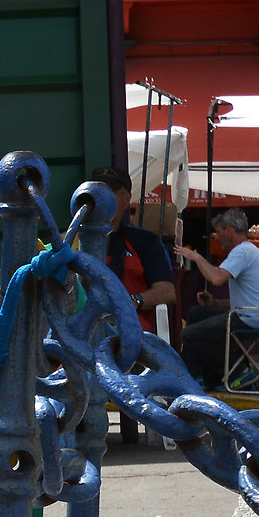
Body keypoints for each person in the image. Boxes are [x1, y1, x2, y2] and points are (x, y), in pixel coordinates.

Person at [90, 168, 178, 443]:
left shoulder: (144, 242)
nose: (100, 198)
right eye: (96, 191)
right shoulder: (76, 239)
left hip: (132, 335)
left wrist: (133, 302)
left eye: (108, 192)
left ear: (125, 197)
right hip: (87, 334)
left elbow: (167, 291)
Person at [176, 208, 259, 389]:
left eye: (218, 232)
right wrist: (215, 303)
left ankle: (238, 371)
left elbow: (217, 278)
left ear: (229, 230)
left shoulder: (242, 251)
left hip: (254, 319)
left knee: (188, 335)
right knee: (196, 313)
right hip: (256, 314)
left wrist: (196, 257)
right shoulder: (249, 250)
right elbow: (247, 299)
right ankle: (199, 376)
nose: (216, 237)